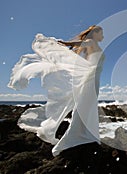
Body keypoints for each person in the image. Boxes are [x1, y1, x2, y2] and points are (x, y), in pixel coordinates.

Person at [8, 25, 105, 156]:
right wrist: (66, 43)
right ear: (95, 33)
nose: (102, 36)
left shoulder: (92, 46)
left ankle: (87, 134)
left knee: (86, 107)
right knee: (85, 107)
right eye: (101, 33)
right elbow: (82, 42)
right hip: (91, 81)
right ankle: (77, 137)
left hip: (93, 80)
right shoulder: (91, 42)